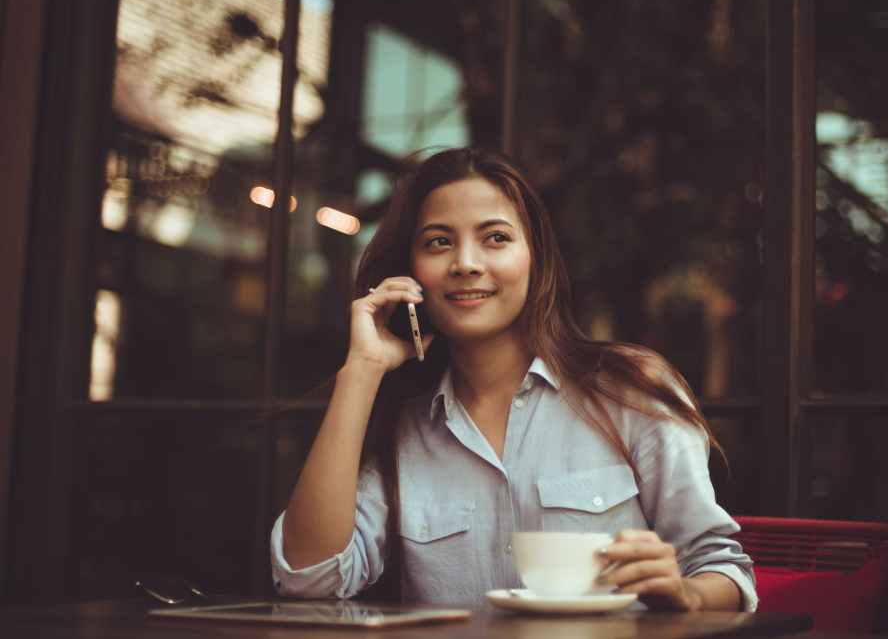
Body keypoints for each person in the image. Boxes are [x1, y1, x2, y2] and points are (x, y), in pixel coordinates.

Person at [270, 147, 757, 611]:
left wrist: (686, 593)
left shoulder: (629, 390)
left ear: (535, 258)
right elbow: (308, 578)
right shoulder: (404, 427)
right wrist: (361, 371)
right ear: (412, 272)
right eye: (439, 242)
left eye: (496, 237)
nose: (465, 263)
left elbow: (723, 569)